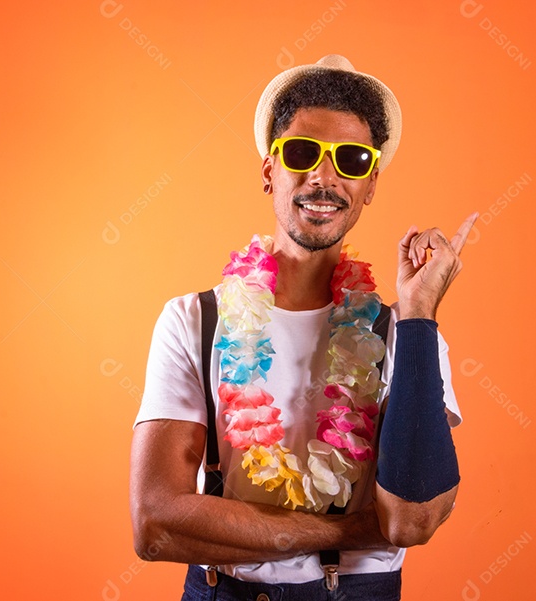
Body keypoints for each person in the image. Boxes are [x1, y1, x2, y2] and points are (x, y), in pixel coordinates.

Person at [129, 54, 479, 600]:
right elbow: (155, 524)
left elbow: (412, 520)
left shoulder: (403, 333)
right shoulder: (194, 320)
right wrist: (353, 530)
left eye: (352, 160)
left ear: (370, 186)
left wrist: (418, 313)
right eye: (301, 153)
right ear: (269, 171)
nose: (323, 176)